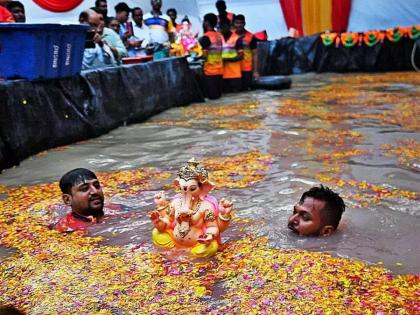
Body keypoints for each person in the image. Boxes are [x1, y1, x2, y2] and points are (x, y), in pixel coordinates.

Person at [54, 168, 105, 233]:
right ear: (67, 200)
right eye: (85, 189)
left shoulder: (117, 209)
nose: (95, 191)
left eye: (96, 186)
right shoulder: (65, 229)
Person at [199, 13, 223, 100]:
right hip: (220, 70)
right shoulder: (219, 36)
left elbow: (205, 55)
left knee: (212, 99)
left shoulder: (206, 37)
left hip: (210, 71)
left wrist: (197, 56)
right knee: (218, 98)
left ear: (206, 22)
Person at [233, 14, 259, 90]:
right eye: (237, 23)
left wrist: (255, 71)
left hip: (246, 68)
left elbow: (255, 54)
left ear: (244, 23)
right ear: (234, 23)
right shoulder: (231, 35)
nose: (239, 25)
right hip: (234, 67)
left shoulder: (251, 36)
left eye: (241, 23)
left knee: (246, 90)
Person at [220, 17, 243, 93]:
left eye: (225, 26)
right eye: (222, 26)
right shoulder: (219, 38)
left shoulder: (237, 38)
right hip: (222, 73)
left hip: (234, 74)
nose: (224, 28)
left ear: (230, 26)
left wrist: (228, 59)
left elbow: (241, 56)